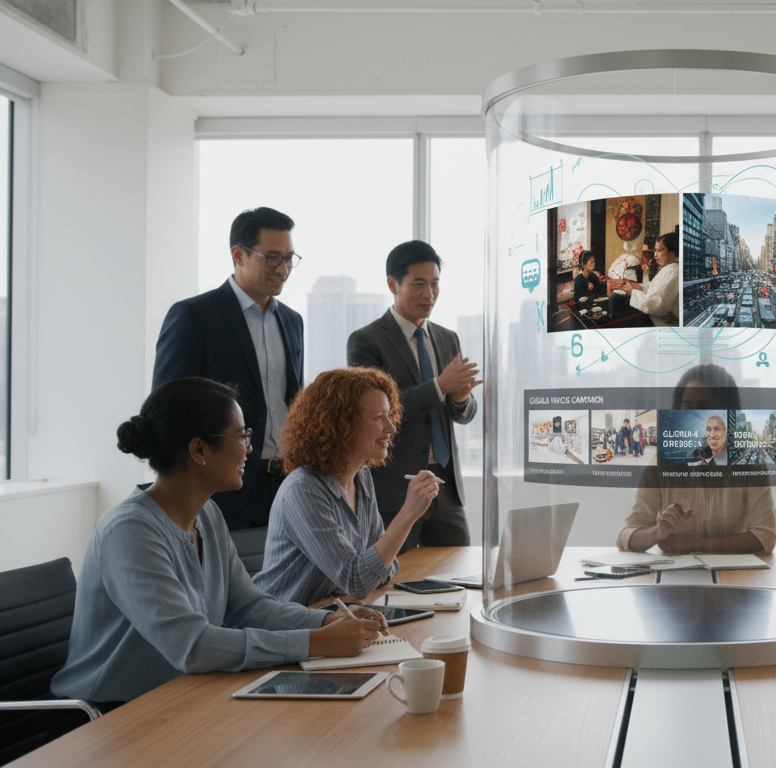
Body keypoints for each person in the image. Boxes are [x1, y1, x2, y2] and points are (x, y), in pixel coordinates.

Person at [51, 378, 387, 706]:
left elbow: (248, 606)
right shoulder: (129, 532)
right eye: (242, 436)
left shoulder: (207, 515)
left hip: (183, 696)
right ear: (199, 450)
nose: (250, 448)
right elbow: (193, 646)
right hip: (110, 716)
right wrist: (314, 642)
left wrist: (327, 621)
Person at [152, 207, 304, 531]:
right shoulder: (194, 315)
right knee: (218, 580)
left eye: (290, 258)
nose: (283, 268)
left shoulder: (292, 321)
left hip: (285, 483)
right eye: (272, 257)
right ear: (239, 254)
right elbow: (168, 409)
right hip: (219, 485)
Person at [253, 367, 444, 607]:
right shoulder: (303, 490)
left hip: (326, 613)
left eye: (389, 415)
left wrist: (369, 568)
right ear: (341, 424)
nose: (391, 428)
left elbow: (385, 569)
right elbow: (358, 581)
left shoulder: (361, 477)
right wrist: (409, 514)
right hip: (282, 628)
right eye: (378, 417)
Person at [347, 240, 482, 550]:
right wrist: (439, 387)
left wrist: (460, 399)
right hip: (396, 489)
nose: (429, 294)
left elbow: (462, 412)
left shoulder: (448, 338)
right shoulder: (366, 341)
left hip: (445, 486)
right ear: (393, 284)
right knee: (392, 577)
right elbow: (375, 415)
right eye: (419, 284)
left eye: (435, 284)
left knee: (457, 571)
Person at [619, 365, 776, 554]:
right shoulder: (664, 460)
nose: (693, 416)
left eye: (704, 408)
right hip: (675, 577)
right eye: (686, 407)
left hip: (733, 574)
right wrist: (657, 533)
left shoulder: (749, 459)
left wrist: (690, 544)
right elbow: (627, 536)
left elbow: (764, 538)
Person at [609, 231, 680, 326]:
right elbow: (653, 288)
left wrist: (632, 291)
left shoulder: (673, 272)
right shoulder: (669, 269)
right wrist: (636, 286)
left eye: (660, 250)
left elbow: (656, 305)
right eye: (655, 250)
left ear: (672, 253)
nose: (655, 255)